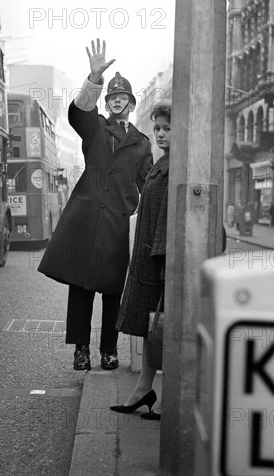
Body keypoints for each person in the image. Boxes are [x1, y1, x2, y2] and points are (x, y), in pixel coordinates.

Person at [38, 39, 153, 371]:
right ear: (108, 102)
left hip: (118, 222)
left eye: (123, 98)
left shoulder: (142, 144)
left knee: (113, 290)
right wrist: (94, 78)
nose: (117, 102)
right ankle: (81, 350)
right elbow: (79, 111)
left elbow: (148, 182)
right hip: (86, 221)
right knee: (82, 286)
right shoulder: (96, 128)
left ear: (131, 104)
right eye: (112, 97)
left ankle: (108, 350)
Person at [111, 100, 171, 420]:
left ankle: (167, 396)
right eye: (157, 128)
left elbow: (167, 219)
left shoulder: (177, 166)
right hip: (150, 258)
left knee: (164, 329)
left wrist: (163, 264)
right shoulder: (163, 163)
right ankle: (143, 388)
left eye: (168, 128)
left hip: (159, 261)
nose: (160, 134)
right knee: (153, 327)